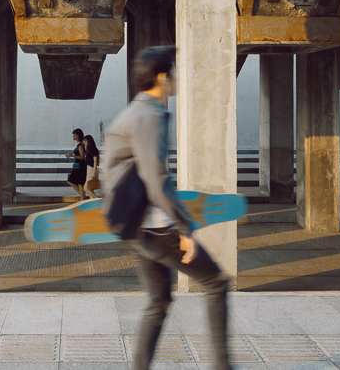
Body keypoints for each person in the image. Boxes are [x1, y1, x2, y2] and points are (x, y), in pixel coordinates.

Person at [101, 46, 231, 370]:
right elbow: (156, 180)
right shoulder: (148, 116)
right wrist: (185, 229)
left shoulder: (134, 111)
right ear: (162, 77)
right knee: (216, 283)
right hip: (154, 227)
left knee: (158, 301)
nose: (175, 77)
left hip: (135, 225)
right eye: (172, 72)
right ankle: (222, 366)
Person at [65, 128, 87, 201]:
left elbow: (82, 157)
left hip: (80, 167)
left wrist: (72, 156)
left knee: (74, 182)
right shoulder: (79, 145)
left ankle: (83, 198)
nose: (73, 136)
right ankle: (83, 197)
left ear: (77, 135)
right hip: (78, 166)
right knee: (79, 184)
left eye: (74, 134)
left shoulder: (80, 145)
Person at [83, 134, 101, 199]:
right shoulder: (88, 150)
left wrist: (93, 173)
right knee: (90, 189)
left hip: (92, 169)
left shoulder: (94, 149)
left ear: (89, 141)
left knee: (86, 188)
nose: (84, 143)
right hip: (89, 170)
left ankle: (98, 198)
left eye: (85, 141)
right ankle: (93, 203)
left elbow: (95, 161)